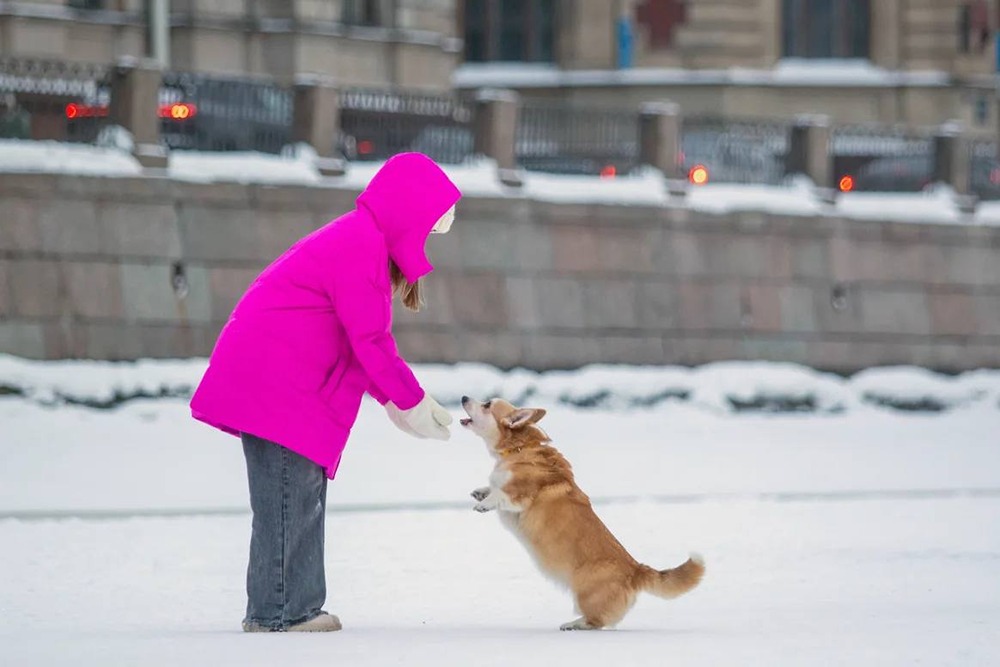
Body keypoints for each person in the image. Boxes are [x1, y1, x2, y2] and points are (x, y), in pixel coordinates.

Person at [189, 152, 461, 633]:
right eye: (427, 231)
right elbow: (370, 340)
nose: (425, 245)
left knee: (302, 495)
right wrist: (411, 401)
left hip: (292, 387)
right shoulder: (359, 248)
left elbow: (360, 346)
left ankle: (299, 606)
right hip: (277, 385)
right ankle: (278, 612)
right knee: (287, 499)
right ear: (406, 216)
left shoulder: (364, 244)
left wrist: (396, 403)